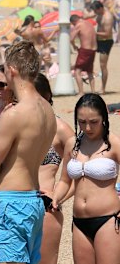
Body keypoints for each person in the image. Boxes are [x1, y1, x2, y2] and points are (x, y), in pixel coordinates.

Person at [0, 40, 57, 264]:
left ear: (12, 70)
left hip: (12, 201)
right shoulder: (48, 110)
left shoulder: (14, 114)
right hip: (34, 199)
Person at [52, 93, 120, 264]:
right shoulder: (72, 144)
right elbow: (64, 181)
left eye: (93, 122)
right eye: (82, 122)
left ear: (104, 117)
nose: (88, 128)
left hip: (108, 219)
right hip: (79, 221)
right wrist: (55, 198)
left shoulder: (114, 143)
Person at [33, 73, 74, 264]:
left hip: (46, 204)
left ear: (47, 95)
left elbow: (81, 170)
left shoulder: (60, 129)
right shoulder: (15, 123)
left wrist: (58, 197)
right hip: (14, 199)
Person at [70, 14, 97, 96]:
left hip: (85, 50)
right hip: (93, 50)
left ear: (74, 21)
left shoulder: (78, 25)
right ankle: (93, 92)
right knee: (90, 72)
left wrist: (74, 46)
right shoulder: (89, 23)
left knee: (77, 71)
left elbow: (71, 38)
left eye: (73, 24)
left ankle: (81, 92)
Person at [90, 1, 114, 94]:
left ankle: (103, 88)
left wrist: (94, 32)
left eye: (96, 10)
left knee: (103, 65)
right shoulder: (99, 14)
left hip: (106, 42)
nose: (95, 13)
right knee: (88, 57)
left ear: (100, 8)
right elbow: (89, 16)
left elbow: (107, 34)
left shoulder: (107, 17)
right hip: (98, 40)